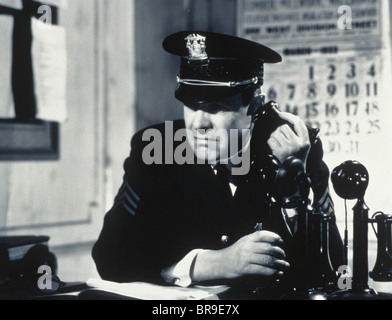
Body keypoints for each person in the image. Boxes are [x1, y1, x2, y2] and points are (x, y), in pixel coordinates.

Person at [92, 31, 344, 299]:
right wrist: (206, 264)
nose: (198, 124)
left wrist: (293, 184)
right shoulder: (157, 148)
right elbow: (109, 256)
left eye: (215, 108)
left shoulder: (295, 148)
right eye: (190, 105)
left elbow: (334, 270)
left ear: (256, 107)